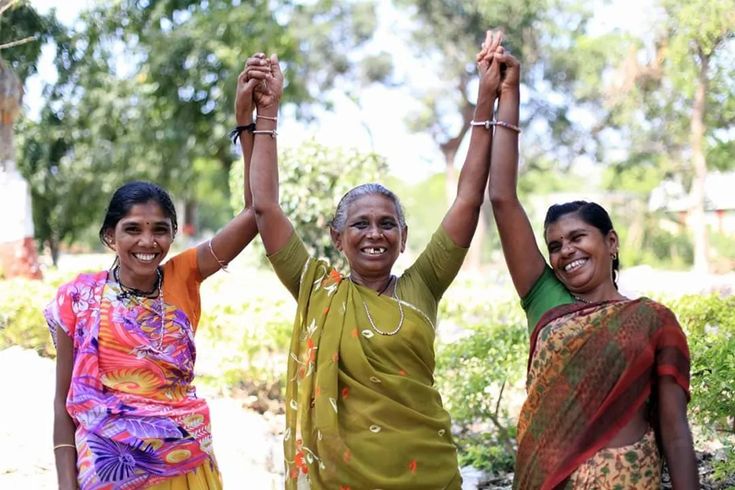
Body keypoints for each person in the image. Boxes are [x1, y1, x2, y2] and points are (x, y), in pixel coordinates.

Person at [242, 31, 505, 489]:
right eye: (360, 224)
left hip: (427, 476)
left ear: (403, 238)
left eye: (387, 224)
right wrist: (268, 111)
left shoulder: (423, 283)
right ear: (337, 238)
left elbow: (468, 199)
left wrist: (486, 102)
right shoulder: (315, 287)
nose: (374, 234)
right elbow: (265, 207)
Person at [482, 37, 699, 489]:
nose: (566, 251)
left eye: (578, 237)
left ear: (610, 241)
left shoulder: (653, 320)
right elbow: (501, 197)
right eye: (555, 245)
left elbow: (675, 431)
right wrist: (507, 93)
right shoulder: (546, 300)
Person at [45, 68, 262, 489]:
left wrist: (245, 122)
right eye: (133, 229)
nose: (147, 241)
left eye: (160, 230)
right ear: (110, 236)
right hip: (107, 475)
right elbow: (63, 404)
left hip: (185, 470)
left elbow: (255, 215)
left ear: (173, 235)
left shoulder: (184, 276)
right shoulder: (78, 299)